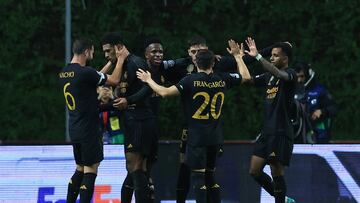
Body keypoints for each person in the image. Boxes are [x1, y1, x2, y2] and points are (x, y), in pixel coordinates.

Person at [137, 40, 251, 203]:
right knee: (210, 177)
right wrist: (238, 57)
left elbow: (165, 92)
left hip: (197, 137)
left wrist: (148, 79)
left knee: (198, 178)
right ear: (213, 62)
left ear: (196, 62)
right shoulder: (222, 79)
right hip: (215, 137)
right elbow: (246, 77)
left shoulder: (190, 80)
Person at [173, 35, 275, 203]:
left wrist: (267, 49)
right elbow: (245, 74)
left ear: (209, 54)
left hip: (204, 130)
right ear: (188, 53)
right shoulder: (183, 67)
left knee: (203, 174)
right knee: (190, 169)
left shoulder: (211, 68)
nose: (197, 54)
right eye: (193, 51)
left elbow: (165, 91)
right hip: (199, 130)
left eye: (200, 51)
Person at [59, 38, 129, 203]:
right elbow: (114, 80)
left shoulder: (65, 72)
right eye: (92, 51)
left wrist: (110, 64)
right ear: (86, 51)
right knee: (90, 171)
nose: (93, 54)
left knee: (79, 169)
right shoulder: (85, 73)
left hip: (74, 128)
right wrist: (120, 59)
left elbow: (93, 77)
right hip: (89, 129)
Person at [101, 32, 156, 203]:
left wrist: (129, 100)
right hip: (131, 120)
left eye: (108, 51)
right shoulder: (121, 64)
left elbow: (149, 87)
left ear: (118, 47)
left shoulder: (135, 62)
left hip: (140, 119)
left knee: (134, 166)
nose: (105, 55)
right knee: (134, 168)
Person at [244, 37, 297, 203]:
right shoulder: (268, 76)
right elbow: (247, 80)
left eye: (275, 56)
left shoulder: (290, 74)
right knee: (254, 170)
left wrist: (258, 57)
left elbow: (279, 73)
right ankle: (282, 198)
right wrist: (239, 58)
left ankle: (280, 200)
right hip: (267, 132)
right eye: (271, 55)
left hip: (280, 131)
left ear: (285, 59)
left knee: (276, 170)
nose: (271, 58)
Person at [293, 61, 337, 143]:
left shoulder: (320, 90)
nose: (299, 80)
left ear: (308, 74)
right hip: (297, 136)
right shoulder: (292, 91)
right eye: (297, 77)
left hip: (318, 137)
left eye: (302, 76)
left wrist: (322, 111)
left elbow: (334, 108)